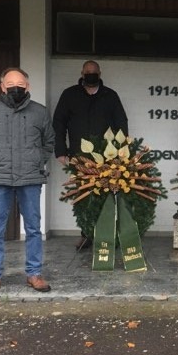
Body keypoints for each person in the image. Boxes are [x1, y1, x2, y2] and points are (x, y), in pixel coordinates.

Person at [0, 68, 55, 298]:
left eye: (20, 84)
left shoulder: (40, 112)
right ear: (2, 86)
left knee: (33, 228)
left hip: (30, 178)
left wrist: (36, 161)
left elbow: (49, 141)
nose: (15, 88)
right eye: (10, 84)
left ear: (28, 86)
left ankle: (34, 274)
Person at [53, 60, 128, 250]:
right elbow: (59, 123)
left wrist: (121, 151)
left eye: (94, 72)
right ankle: (86, 235)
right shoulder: (69, 95)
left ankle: (108, 235)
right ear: (82, 73)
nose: (91, 74)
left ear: (100, 73)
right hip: (79, 156)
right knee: (83, 198)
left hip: (107, 156)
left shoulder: (110, 96)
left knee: (108, 196)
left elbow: (122, 123)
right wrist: (61, 151)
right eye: (88, 72)